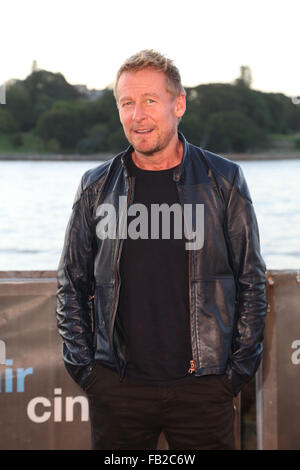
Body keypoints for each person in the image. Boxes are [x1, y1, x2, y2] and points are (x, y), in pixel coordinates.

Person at [56, 49, 267, 450]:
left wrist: (234, 373)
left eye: (150, 101)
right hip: (118, 388)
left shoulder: (222, 180)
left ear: (179, 104)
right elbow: (71, 282)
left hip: (204, 389)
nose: (138, 116)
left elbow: (251, 281)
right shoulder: (96, 185)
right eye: (127, 103)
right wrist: (86, 370)